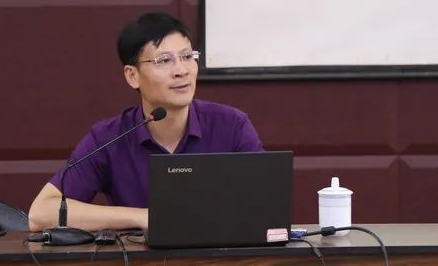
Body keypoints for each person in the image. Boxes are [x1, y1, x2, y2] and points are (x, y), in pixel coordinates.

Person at [28, 12, 263, 232]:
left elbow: (267, 204)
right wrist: (142, 217)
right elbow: (41, 213)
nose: (181, 70)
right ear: (132, 76)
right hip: (139, 261)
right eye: (164, 60)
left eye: (187, 57)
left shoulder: (232, 126)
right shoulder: (109, 137)